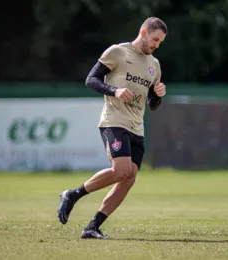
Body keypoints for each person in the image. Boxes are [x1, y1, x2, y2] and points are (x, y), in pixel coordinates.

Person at [57, 17, 167, 240]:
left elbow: (152, 104)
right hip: (114, 120)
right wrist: (114, 91)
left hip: (137, 127)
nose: (157, 45)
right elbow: (91, 79)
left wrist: (158, 95)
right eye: (155, 39)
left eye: (160, 42)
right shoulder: (118, 52)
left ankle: (92, 227)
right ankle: (73, 195)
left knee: (129, 177)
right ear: (144, 32)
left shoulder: (154, 65)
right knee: (121, 170)